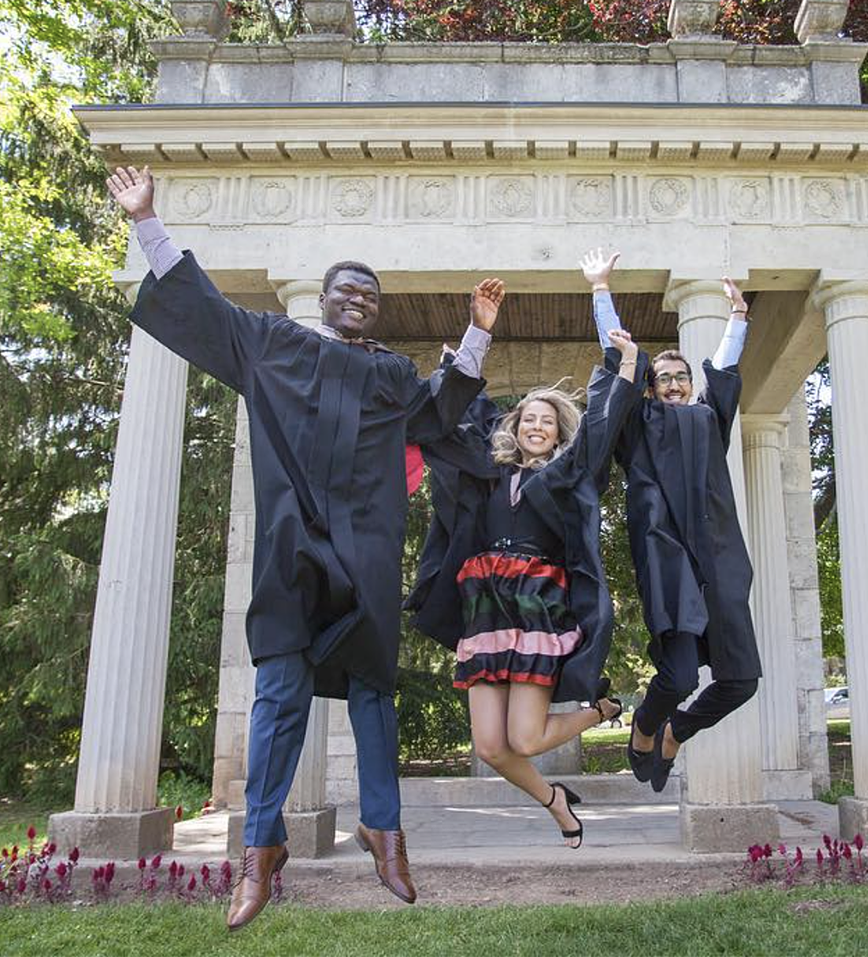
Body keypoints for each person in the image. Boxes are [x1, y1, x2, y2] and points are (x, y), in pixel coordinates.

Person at [106, 165, 505, 926]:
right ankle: (260, 852)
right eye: (346, 293)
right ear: (323, 302)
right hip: (292, 546)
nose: (358, 303)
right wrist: (148, 222)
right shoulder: (276, 345)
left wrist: (479, 332)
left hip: (367, 553)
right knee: (280, 694)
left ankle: (384, 834)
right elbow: (208, 314)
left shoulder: (390, 374)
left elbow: (440, 410)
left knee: (372, 694)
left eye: (370, 297)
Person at [406, 328, 648, 847]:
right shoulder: (487, 470)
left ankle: (599, 711)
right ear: (514, 427)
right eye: (528, 419)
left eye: (547, 421)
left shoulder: (567, 472)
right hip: (485, 609)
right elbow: (456, 418)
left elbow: (601, 430)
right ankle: (554, 800)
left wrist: (626, 366)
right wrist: (461, 357)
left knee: (527, 737)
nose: (536, 426)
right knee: (492, 746)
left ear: (558, 432)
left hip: (537, 605)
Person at [579, 248, 762, 793]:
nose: (676, 385)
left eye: (682, 376)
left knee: (741, 681)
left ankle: (674, 733)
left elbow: (725, 370)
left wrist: (737, 319)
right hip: (668, 557)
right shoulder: (639, 423)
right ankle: (642, 728)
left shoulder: (709, 420)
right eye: (665, 379)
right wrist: (600, 291)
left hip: (721, 560)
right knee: (679, 676)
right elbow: (619, 358)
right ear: (652, 388)